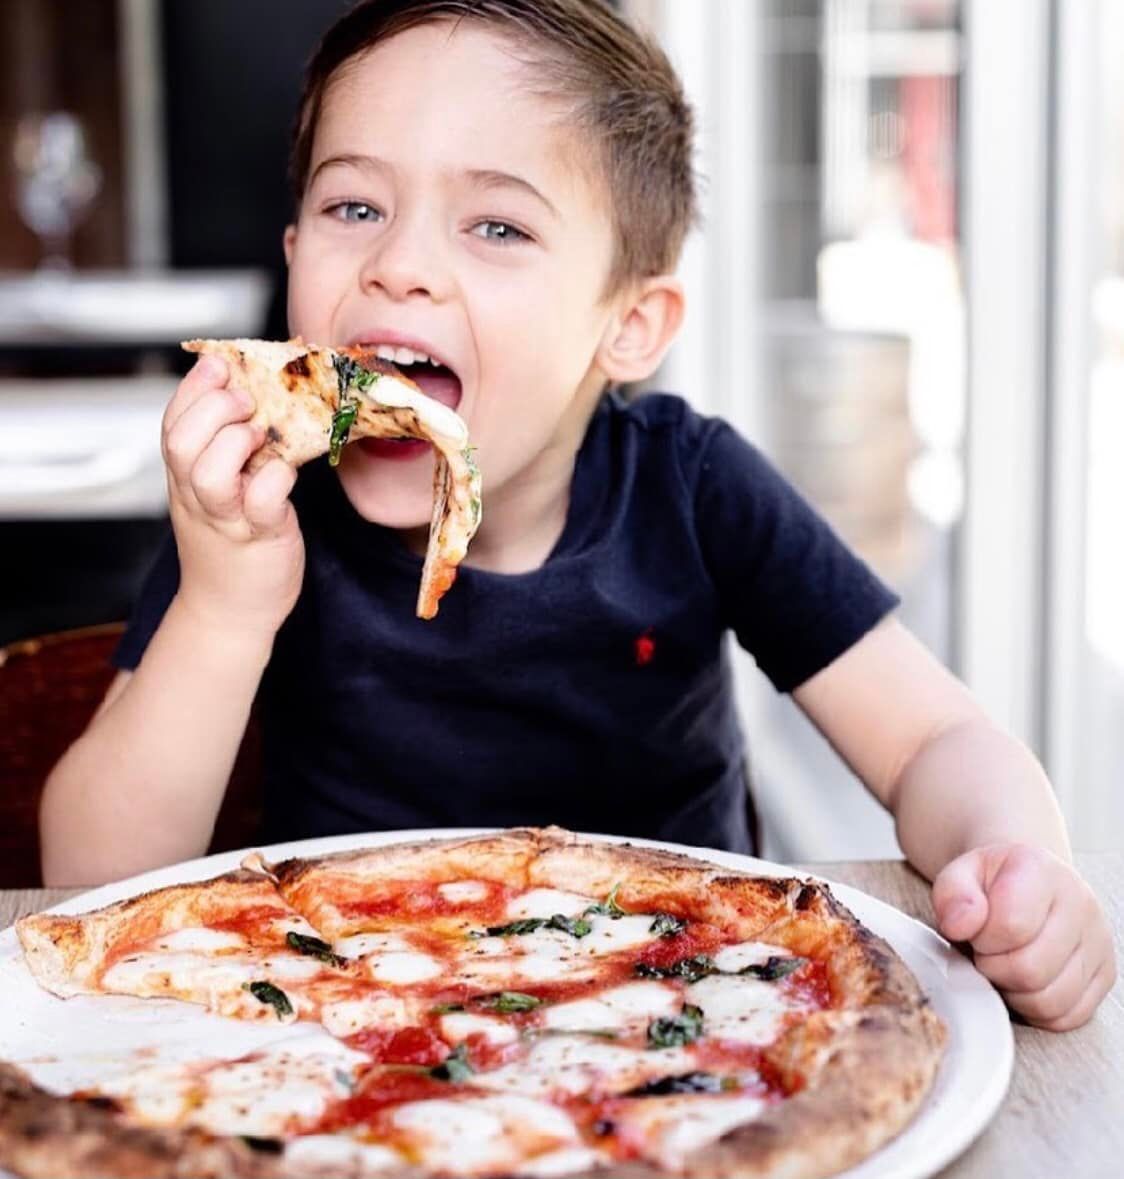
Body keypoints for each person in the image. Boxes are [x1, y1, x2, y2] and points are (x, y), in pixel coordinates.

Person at [39, 0, 1114, 1031]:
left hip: (692, 1015)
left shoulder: (693, 489)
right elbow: (92, 884)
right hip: (338, 1030)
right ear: (291, 258)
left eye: (496, 226)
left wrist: (1013, 860)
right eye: (354, 207)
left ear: (628, 326)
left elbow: (932, 737)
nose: (398, 266)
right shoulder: (255, 519)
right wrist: (226, 609)